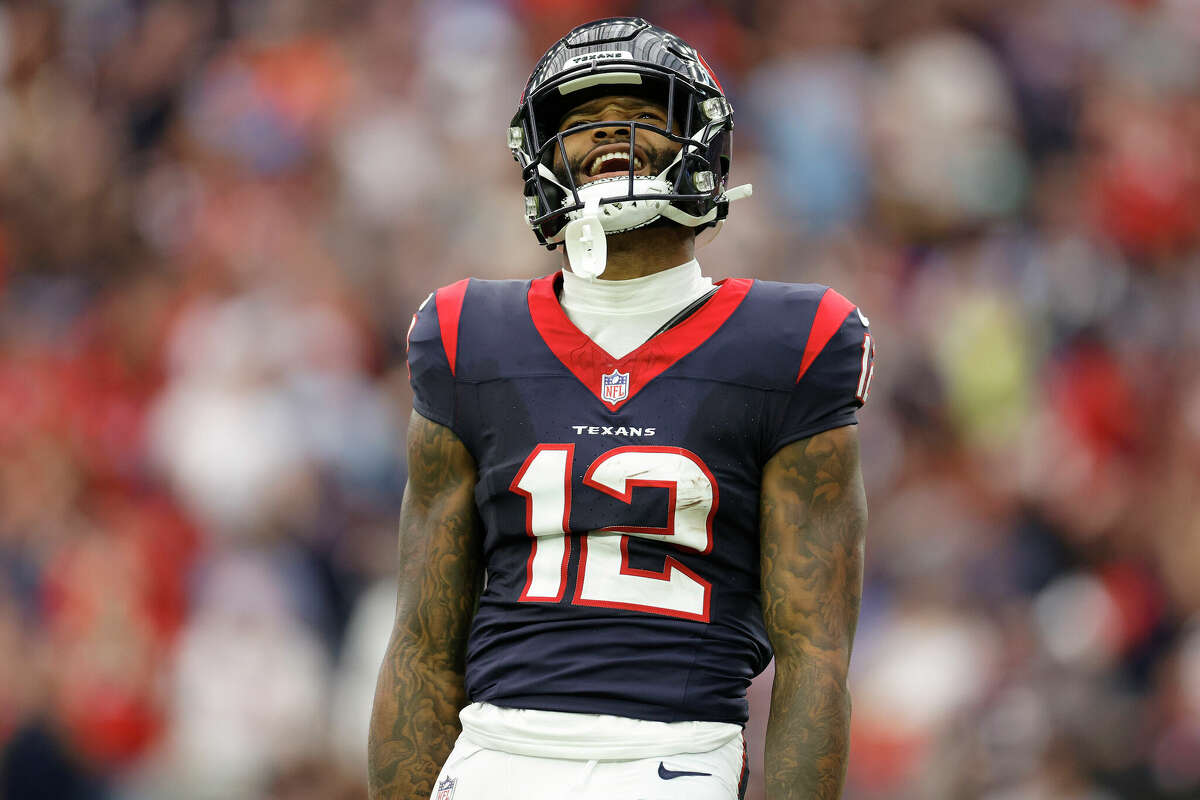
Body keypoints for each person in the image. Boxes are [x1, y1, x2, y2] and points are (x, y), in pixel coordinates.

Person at [368, 17, 874, 800]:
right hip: (496, 750)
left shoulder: (791, 342)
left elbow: (816, 655)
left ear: (700, 142)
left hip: (676, 757)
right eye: (577, 121)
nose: (608, 135)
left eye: (640, 113)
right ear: (541, 156)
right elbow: (423, 645)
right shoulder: (466, 334)